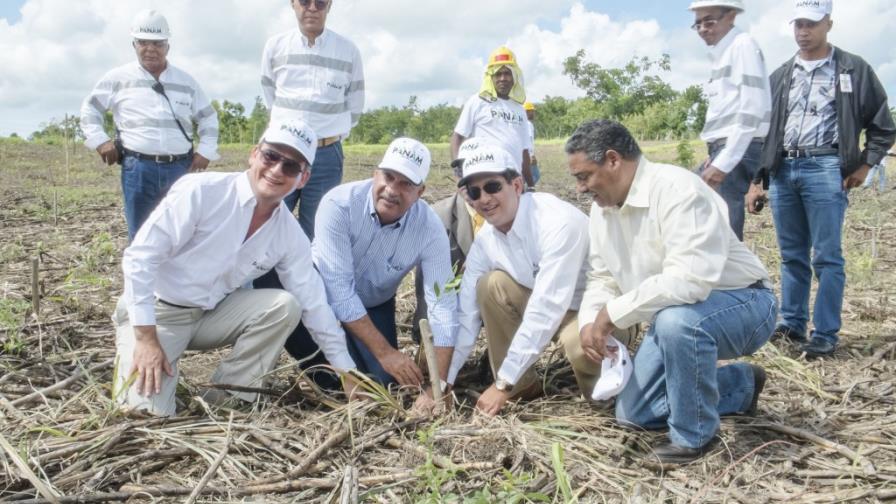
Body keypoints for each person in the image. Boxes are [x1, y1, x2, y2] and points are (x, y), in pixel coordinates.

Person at [113, 119, 357, 417]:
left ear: (303, 179)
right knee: (146, 418)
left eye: (291, 167)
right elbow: (140, 258)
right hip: (158, 313)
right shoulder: (201, 191)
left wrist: (347, 372)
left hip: (210, 313)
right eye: (271, 156)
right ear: (254, 154)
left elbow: (314, 303)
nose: (277, 170)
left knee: (285, 306)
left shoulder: (289, 233)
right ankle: (147, 364)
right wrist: (146, 339)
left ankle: (229, 397)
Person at [568, 120, 777, 464]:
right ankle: (740, 385)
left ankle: (693, 436)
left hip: (746, 303)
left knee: (675, 321)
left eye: (584, 176)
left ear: (613, 160)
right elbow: (602, 276)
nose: (580, 188)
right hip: (676, 315)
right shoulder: (601, 211)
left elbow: (688, 281)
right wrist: (591, 321)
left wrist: (612, 315)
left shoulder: (678, 190)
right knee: (633, 414)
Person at [747, 0, 896, 357]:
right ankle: (792, 323)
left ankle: (825, 332)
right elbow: (764, 132)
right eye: (798, 24)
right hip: (784, 172)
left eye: (811, 24)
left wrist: (864, 166)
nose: (803, 31)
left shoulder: (853, 69)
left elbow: (882, 126)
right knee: (791, 255)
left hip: (826, 168)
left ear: (829, 23)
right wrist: (758, 179)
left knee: (827, 257)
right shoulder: (782, 75)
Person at [446, 144, 621, 416]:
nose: (484, 199)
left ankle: (604, 400)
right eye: (474, 192)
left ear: (516, 185)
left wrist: (501, 384)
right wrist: (444, 381)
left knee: (580, 343)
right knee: (489, 285)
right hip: (546, 304)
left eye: (493, 186)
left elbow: (546, 308)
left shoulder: (556, 222)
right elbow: (466, 314)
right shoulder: (486, 241)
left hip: (592, 309)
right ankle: (522, 385)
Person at [284, 138, 458, 401]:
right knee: (344, 384)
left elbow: (442, 304)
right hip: (321, 297)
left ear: (420, 192)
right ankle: (326, 378)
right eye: (388, 177)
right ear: (375, 174)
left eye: (405, 184)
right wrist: (386, 353)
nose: (392, 190)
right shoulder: (338, 204)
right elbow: (339, 292)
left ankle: (347, 371)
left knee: (384, 385)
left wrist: (438, 385)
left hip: (373, 305)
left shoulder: (430, 230)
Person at [80, 9, 219, 241]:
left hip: (180, 168)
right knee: (142, 237)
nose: (150, 49)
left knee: (182, 234)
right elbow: (90, 109)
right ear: (134, 45)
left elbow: (208, 117)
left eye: (157, 43)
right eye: (143, 42)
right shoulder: (117, 78)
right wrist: (100, 140)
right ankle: (141, 278)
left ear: (167, 46)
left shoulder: (186, 82)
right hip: (138, 169)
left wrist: (206, 151)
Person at [261, 0, 365, 240]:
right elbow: (270, 95)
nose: (312, 8)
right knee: (268, 221)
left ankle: (309, 278)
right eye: (305, 2)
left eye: (320, 3)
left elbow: (355, 103)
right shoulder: (275, 47)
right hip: (282, 153)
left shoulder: (348, 50)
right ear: (292, 4)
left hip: (326, 156)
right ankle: (262, 278)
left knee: (319, 228)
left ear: (329, 5)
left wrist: (329, 134)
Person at [689, 0, 770, 241]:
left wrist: (724, 160)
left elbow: (751, 107)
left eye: (709, 21)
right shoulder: (723, 53)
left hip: (738, 148)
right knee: (702, 209)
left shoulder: (742, 46)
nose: (703, 28)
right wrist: (715, 152)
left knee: (725, 229)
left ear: (731, 16)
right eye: (698, 24)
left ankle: (737, 277)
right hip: (725, 147)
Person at [411, 138, 490, 344]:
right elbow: (427, 286)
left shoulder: (512, 213)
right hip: (453, 302)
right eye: (461, 172)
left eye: (476, 172)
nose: (466, 181)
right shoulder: (437, 216)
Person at [451, 46, 534, 188]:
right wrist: (459, 172)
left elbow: (524, 150)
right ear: (491, 77)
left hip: (513, 181)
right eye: (498, 74)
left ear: (514, 76)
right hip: (485, 178)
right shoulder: (477, 101)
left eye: (507, 73)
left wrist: (531, 186)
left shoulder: (519, 108)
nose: (503, 78)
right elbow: (457, 137)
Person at [524, 102, 541, 186]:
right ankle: (525, 193)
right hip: (528, 155)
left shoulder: (522, 123)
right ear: (526, 112)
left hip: (524, 155)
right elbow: (528, 139)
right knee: (536, 175)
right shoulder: (528, 124)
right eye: (532, 111)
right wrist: (531, 155)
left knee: (525, 176)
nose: (533, 113)